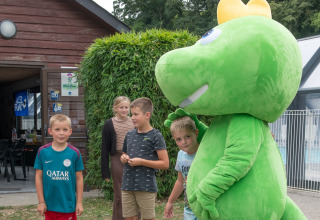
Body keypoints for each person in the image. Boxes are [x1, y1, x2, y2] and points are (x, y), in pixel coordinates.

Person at [120, 97, 169, 220]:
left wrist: (141, 162)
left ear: (147, 115)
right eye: (132, 114)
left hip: (146, 186)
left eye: (136, 114)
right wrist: (123, 158)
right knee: (129, 217)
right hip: (127, 185)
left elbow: (165, 164)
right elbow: (123, 154)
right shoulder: (129, 134)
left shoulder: (156, 135)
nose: (132, 117)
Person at [34, 114, 84, 219]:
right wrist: (41, 201)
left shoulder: (74, 153)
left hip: (68, 205)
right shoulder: (42, 152)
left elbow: (79, 179)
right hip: (49, 205)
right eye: (57, 129)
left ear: (70, 131)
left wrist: (79, 202)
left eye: (65, 129)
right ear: (50, 131)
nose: (61, 133)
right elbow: (38, 177)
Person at [101, 96, 134, 220]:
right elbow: (104, 148)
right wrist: (105, 171)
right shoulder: (109, 124)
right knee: (120, 193)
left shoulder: (133, 122)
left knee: (135, 192)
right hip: (117, 158)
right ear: (115, 108)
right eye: (121, 107)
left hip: (133, 158)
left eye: (126, 107)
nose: (124, 110)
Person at [164, 116, 199, 220]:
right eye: (178, 139)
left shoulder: (204, 153)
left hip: (205, 209)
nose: (183, 142)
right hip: (189, 208)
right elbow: (180, 181)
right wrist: (170, 202)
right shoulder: (181, 155)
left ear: (196, 133)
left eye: (187, 136)